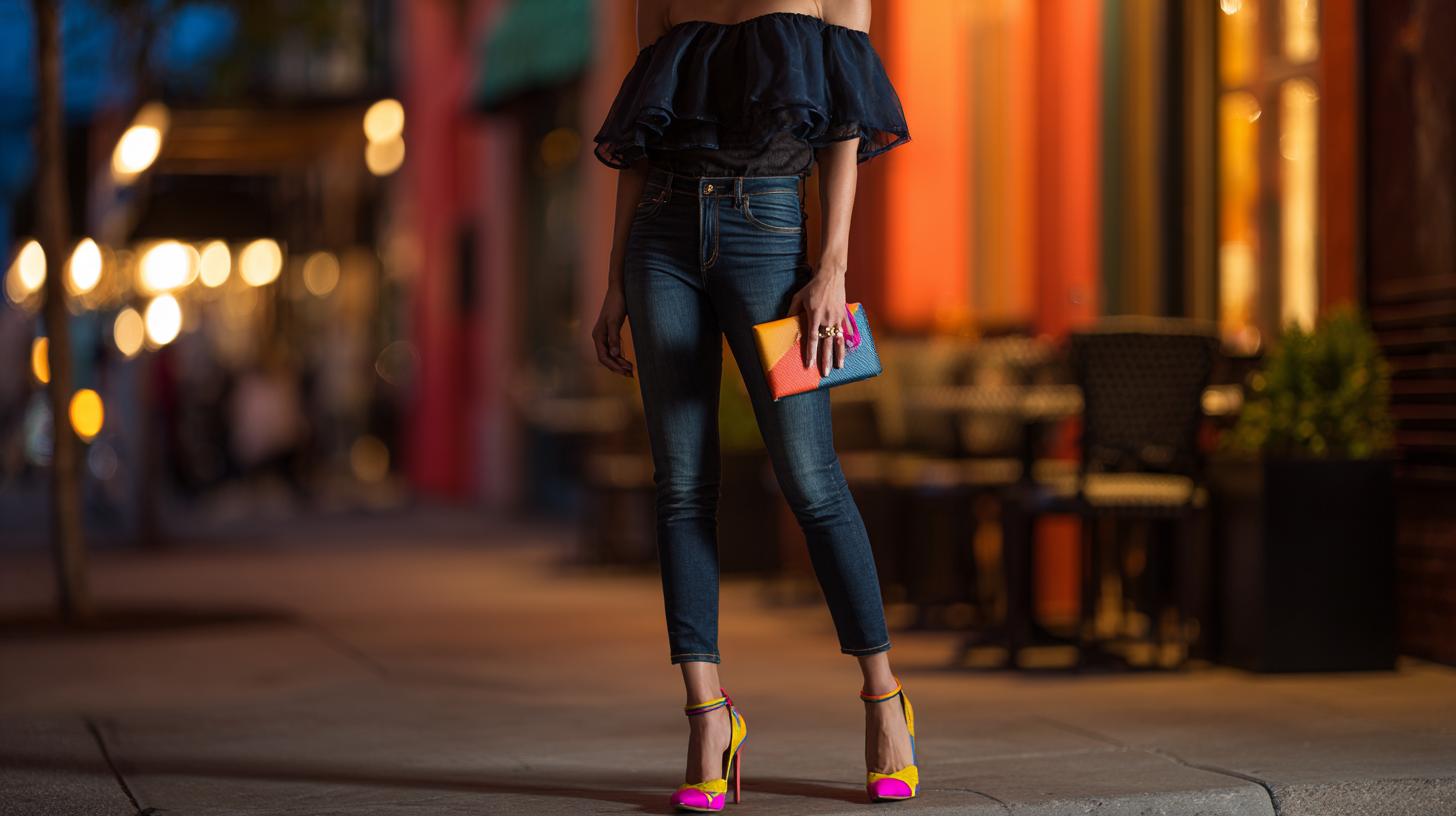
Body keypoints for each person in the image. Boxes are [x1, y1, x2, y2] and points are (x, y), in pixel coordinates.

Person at [591, 1, 914, 810]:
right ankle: (707, 715)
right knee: (682, 485)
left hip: (769, 232)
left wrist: (833, 267)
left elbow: (844, 129)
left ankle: (884, 697)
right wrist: (611, 282)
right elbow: (640, 138)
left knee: (811, 478)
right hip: (661, 239)